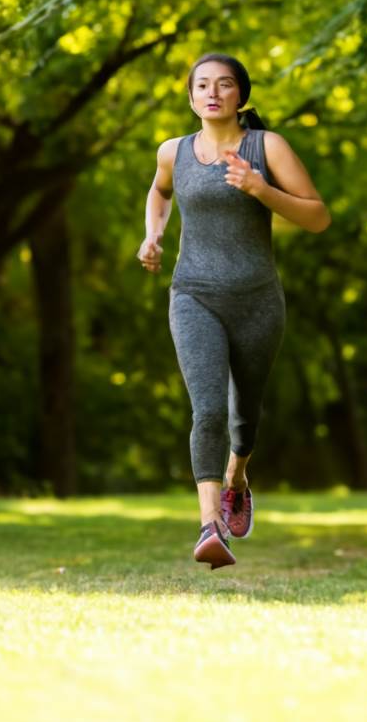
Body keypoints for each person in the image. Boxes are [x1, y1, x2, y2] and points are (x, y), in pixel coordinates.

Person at [137, 53, 331, 569]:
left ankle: (237, 479)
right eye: (202, 85)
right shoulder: (173, 152)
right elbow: (159, 194)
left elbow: (317, 216)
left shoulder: (266, 147)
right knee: (208, 409)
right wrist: (153, 235)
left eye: (224, 85)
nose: (213, 92)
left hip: (258, 301)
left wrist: (260, 189)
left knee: (245, 414)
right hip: (194, 295)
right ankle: (209, 525)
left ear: (240, 96)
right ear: (192, 97)